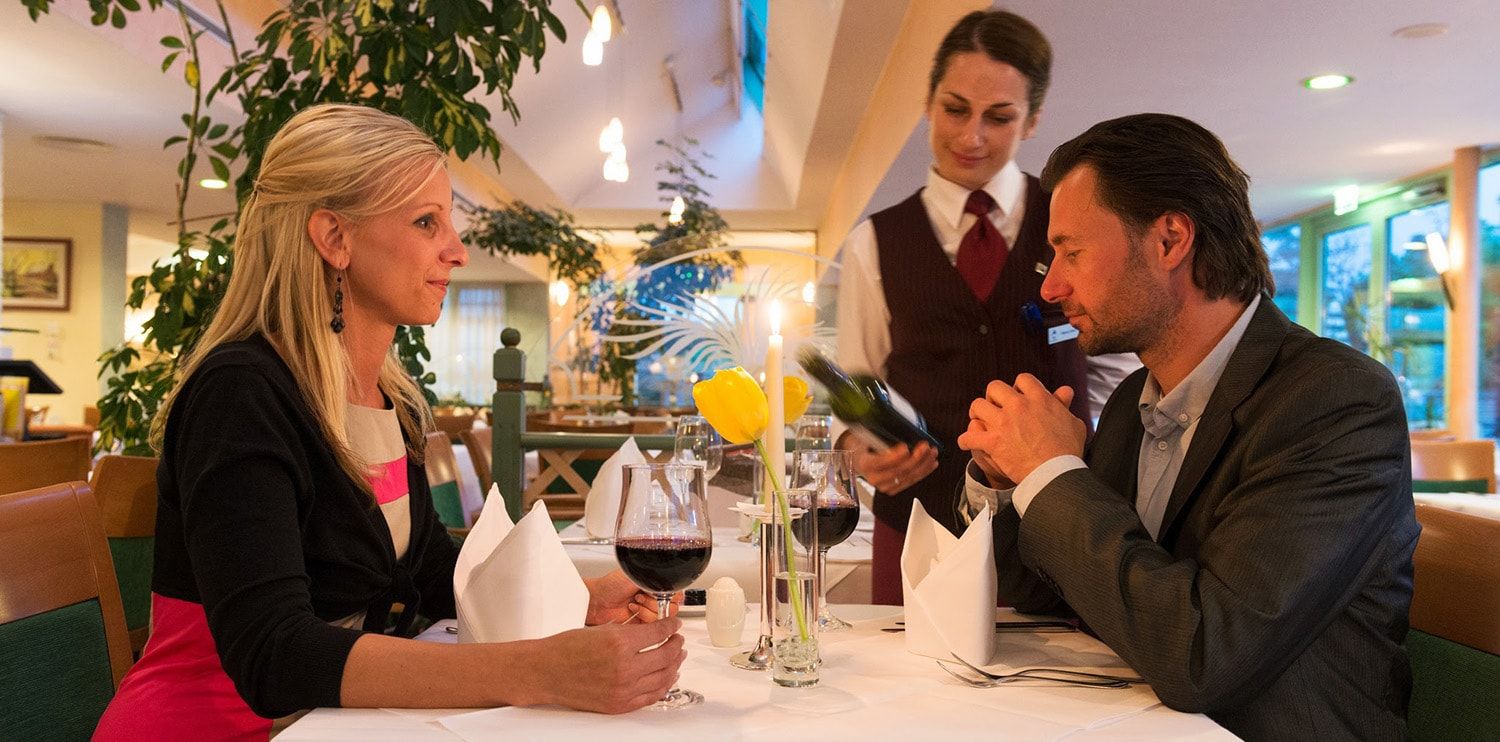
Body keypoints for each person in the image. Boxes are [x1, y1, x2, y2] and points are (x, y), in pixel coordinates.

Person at [95, 104, 686, 740]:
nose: (457, 251)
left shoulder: (388, 398)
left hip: (338, 723)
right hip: (225, 726)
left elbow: (433, 576)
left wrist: (577, 598)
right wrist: (538, 670)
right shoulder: (241, 395)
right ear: (334, 238)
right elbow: (273, 655)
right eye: (426, 221)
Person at [959, 113, 1418, 740]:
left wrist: (1052, 472)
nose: (1054, 286)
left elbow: (1206, 656)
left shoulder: (1334, 402)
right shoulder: (1130, 403)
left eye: (1072, 251)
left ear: (1171, 240)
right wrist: (1012, 479)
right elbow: (1050, 594)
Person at [835, 10, 1134, 604]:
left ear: (1033, 121)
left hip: (1053, 527)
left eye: (999, 117)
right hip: (918, 522)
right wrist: (860, 448)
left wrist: (1084, 461)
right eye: (954, 109)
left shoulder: (1070, 221)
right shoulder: (875, 241)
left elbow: (1115, 373)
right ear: (927, 102)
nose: (972, 136)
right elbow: (858, 382)